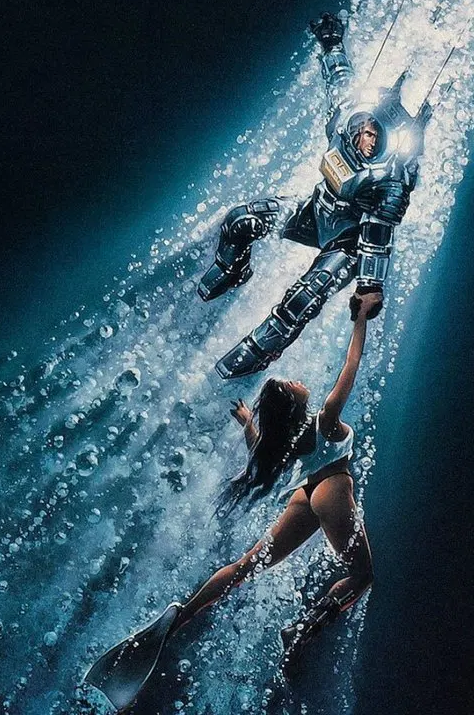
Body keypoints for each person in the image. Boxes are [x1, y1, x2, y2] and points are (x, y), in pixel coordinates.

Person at [83, 292, 382, 711]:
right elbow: (352, 364)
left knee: (246, 565)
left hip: (306, 494)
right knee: (362, 574)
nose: (298, 382)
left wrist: (247, 425)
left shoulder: (287, 439)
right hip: (331, 487)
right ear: (294, 403)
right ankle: (300, 629)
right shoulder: (326, 418)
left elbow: (260, 451)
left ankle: (183, 615)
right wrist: (361, 318)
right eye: (291, 385)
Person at [201, 11, 432, 379]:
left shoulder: (393, 174)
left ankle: (261, 350)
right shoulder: (344, 121)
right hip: (314, 212)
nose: (367, 138)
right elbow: (339, 81)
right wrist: (332, 44)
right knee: (241, 219)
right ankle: (233, 270)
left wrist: (369, 285)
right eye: (366, 130)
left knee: (305, 295)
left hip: (348, 243)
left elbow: (378, 236)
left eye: (375, 136)